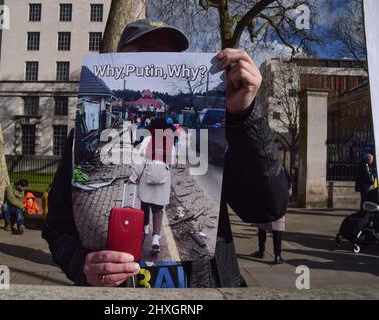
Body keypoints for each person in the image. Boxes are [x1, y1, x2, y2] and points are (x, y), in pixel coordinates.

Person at [42, 18, 288, 287]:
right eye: (147, 52)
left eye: (169, 57)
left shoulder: (223, 129)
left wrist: (244, 116)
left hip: (205, 291)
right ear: (119, 60)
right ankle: (151, 234)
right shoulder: (82, 136)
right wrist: (83, 266)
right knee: (149, 212)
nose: (159, 62)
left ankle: (154, 235)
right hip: (119, 297)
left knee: (154, 211)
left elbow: (267, 208)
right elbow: (58, 226)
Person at [129, 116, 175, 254]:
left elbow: (139, 162)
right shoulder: (169, 142)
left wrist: (133, 177)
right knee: (158, 210)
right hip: (162, 181)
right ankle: (156, 239)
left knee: (145, 203)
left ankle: (145, 228)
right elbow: (172, 161)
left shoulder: (147, 140)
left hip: (146, 179)